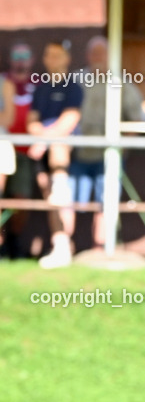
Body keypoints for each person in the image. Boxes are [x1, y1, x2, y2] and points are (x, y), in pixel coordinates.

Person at [69, 36, 145, 252]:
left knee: (107, 201)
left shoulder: (121, 82)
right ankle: (66, 248)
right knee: (70, 201)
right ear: (87, 56)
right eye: (94, 53)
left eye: (102, 53)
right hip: (78, 153)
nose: (97, 58)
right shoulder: (75, 80)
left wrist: (123, 146)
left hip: (109, 155)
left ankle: (99, 248)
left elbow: (139, 118)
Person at [26, 40, 82, 268]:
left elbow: (70, 119)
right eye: (49, 55)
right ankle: (59, 245)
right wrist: (41, 138)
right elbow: (32, 121)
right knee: (51, 197)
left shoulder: (73, 87)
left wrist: (45, 139)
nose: (53, 59)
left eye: (58, 55)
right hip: (43, 149)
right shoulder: (41, 89)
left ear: (67, 59)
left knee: (61, 196)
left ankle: (64, 246)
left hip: (65, 152)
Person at [0, 44, 35, 258]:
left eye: (25, 56)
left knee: (20, 198)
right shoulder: (6, 80)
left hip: (26, 149)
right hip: (6, 145)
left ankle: (14, 242)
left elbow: (9, 117)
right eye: (17, 56)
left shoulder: (37, 83)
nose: (20, 61)